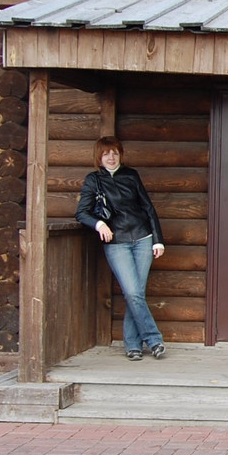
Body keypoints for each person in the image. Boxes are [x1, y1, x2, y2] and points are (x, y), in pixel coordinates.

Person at [75, 136, 166, 361]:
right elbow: (82, 212)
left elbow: (148, 208)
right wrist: (99, 224)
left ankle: (133, 346)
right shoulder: (93, 180)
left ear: (120, 155)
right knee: (133, 293)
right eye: (106, 154)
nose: (111, 157)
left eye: (115, 153)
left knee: (136, 294)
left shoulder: (131, 175)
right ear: (99, 157)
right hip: (117, 243)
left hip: (143, 238)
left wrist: (158, 240)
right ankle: (154, 339)